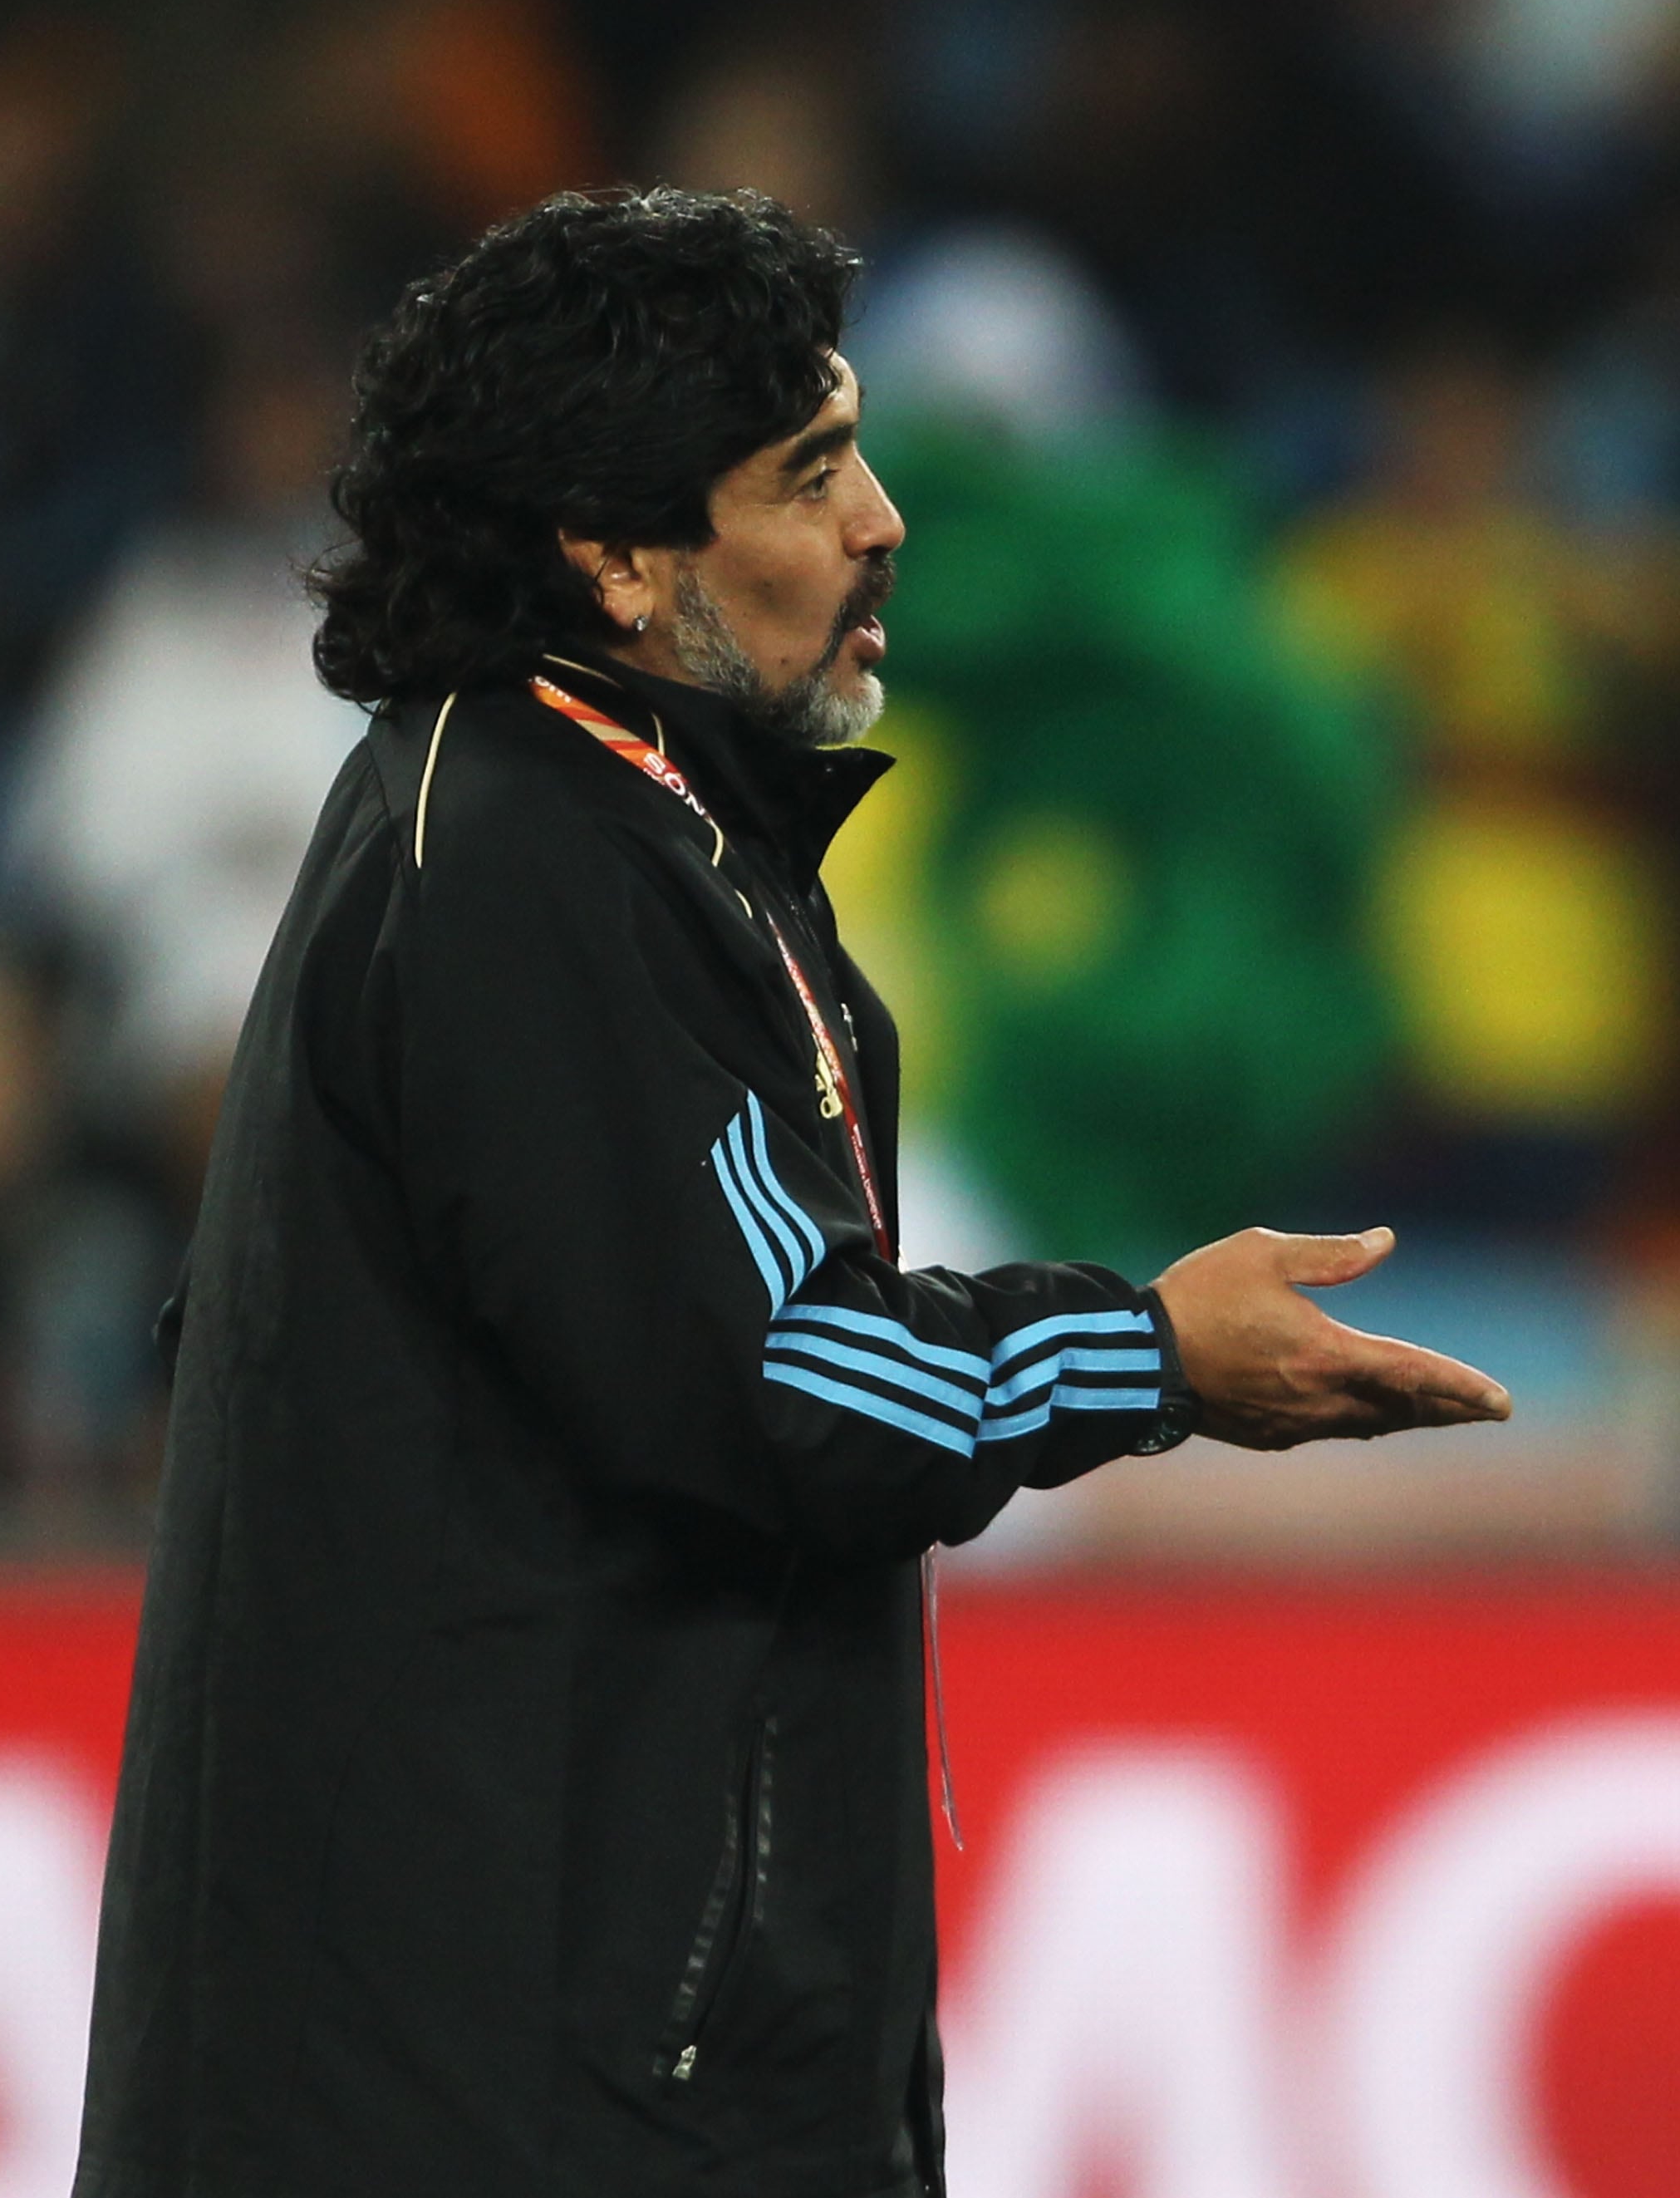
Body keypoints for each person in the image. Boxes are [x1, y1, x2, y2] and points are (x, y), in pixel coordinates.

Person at [73, 188, 1510, 2198]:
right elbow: (802, 1382)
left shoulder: (581, 821)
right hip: (512, 2097)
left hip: (545, 2059)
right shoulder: (535, 858)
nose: (885, 519)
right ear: (616, 545)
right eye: (812, 471)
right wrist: (1156, 1345)